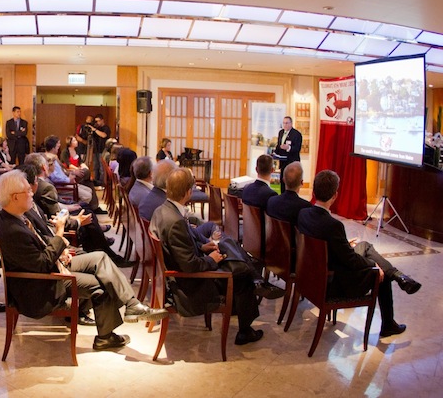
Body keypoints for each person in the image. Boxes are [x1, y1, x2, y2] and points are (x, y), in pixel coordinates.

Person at [0, 169, 168, 350]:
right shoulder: (10, 229)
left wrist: (61, 251)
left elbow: (40, 242)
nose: (32, 193)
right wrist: (60, 236)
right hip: (40, 286)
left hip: (53, 265)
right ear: (14, 197)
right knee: (100, 284)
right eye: (27, 191)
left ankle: (132, 305)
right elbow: (42, 265)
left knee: (100, 258)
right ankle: (105, 337)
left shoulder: (20, 216)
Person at [297, 170, 422, 338]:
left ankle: (399, 276)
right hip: (333, 282)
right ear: (335, 195)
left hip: (313, 275)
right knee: (380, 273)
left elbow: (328, 248)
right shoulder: (333, 225)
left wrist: (345, 246)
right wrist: (373, 265)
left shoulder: (304, 213)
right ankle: (388, 322)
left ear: (313, 192)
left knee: (364, 246)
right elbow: (350, 261)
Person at [150, 167, 266, 346]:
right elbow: (189, 266)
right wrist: (212, 259)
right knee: (241, 277)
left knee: (235, 262)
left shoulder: (162, 210)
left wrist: (202, 246)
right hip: (189, 287)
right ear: (188, 192)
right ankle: (245, 330)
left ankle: (245, 294)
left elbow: (180, 248)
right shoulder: (176, 222)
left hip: (176, 277)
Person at [273, 116, 302, 193]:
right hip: (282, 162)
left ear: (291, 124)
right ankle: (282, 195)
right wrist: (274, 153)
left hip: (292, 162)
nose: (285, 125)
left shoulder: (296, 134)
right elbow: (279, 145)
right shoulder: (281, 132)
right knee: (283, 180)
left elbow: (297, 148)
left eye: (287, 123)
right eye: (283, 123)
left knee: (291, 182)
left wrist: (288, 147)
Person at [90, 114, 110, 183]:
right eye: (96, 121)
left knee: (102, 167)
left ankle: (102, 182)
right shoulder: (96, 129)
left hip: (103, 150)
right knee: (96, 167)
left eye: (98, 121)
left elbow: (104, 135)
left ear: (102, 120)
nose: (97, 123)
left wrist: (95, 130)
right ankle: (96, 181)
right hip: (96, 150)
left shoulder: (106, 128)